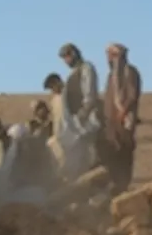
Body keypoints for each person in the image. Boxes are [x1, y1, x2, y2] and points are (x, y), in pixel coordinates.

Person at [101, 42, 142, 193]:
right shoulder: (111, 76)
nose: (109, 59)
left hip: (124, 122)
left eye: (112, 56)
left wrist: (123, 111)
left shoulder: (130, 72)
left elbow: (132, 95)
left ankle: (123, 184)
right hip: (111, 124)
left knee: (124, 152)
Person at [43, 71, 97, 181]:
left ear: (58, 82)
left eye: (53, 86)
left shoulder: (71, 94)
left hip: (76, 135)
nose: (53, 90)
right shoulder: (55, 100)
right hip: (61, 138)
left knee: (79, 166)